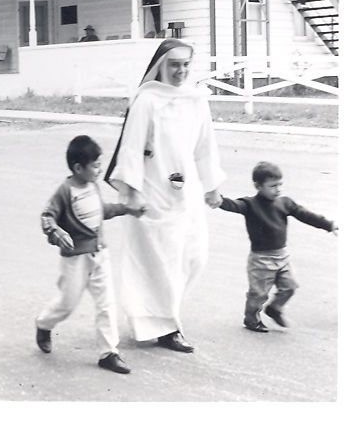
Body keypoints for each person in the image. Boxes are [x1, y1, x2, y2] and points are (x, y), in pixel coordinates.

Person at [104, 38, 225, 354]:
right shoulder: (147, 100)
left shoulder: (198, 99)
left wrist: (212, 185)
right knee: (160, 262)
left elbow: (205, 146)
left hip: (188, 194)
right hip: (154, 192)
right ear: (161, 66)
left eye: (185, 65)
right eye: (174, 65)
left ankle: (161, 318)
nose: (181, 71)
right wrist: (131, 192)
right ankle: (165, 327)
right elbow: (131, 146)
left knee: (194, 257)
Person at [35, 135, 145, 374]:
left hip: (99, 256)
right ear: (78, 168)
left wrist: (127, 209)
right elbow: (47, 217)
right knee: (67, 303)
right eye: (95, 165)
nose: (99, 169)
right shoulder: (64, 191)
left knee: (106, 304)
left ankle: (109, 353)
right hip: (75, 260)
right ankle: (43, 324)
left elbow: (100, 211)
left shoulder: (93, 186)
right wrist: (56, 232)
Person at [214, 161, 338, 332]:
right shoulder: (250, 205)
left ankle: (274, 308)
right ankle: (251, 318)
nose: (278, 189)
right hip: (260, 260)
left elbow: (305, 215)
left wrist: (328, 225)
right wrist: (217, 199)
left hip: (282, 257)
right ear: (258, 186)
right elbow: (233, 205)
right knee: (258, 294)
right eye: (272, 186)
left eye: (280, 184)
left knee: (290, 287)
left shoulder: (285, 203)